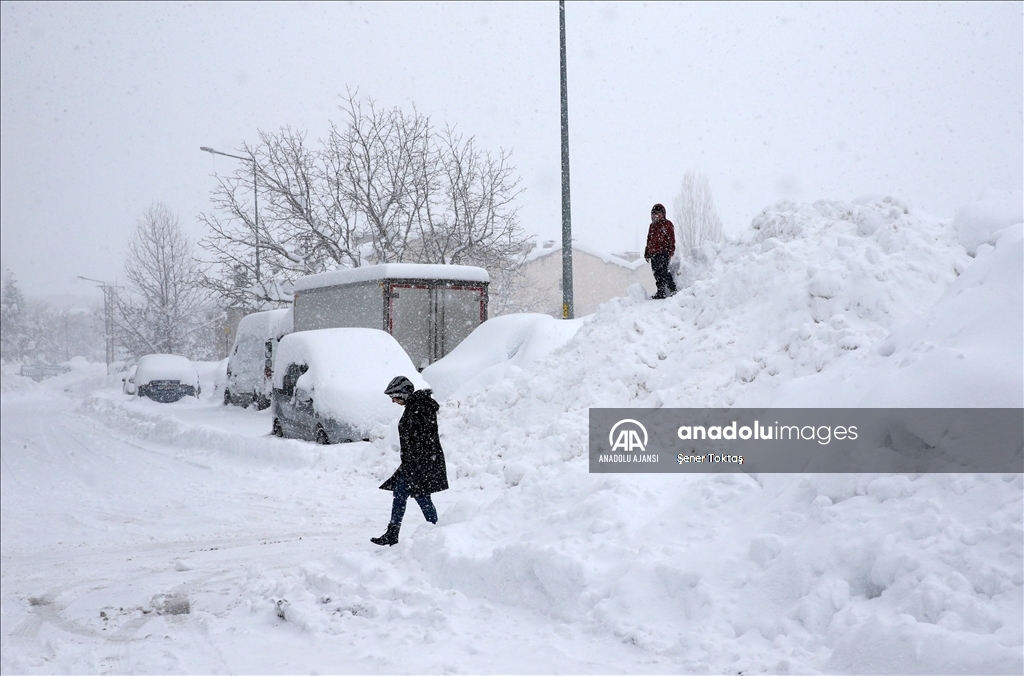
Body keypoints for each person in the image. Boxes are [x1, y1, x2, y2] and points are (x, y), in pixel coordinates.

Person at [371, 376, 449, 546]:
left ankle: (437, 532)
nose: (393, 401)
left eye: (395, 397)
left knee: (421, 496)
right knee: (403, 493)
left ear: (404, 394)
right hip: (414, 461)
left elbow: (424, 437)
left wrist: (417, 462)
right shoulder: (415, 406)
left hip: (421, 462)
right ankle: (394, 532)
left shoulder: (421, 407)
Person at [644, 203, 677, 299]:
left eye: (658, 213)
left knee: (664, 271)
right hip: (653, 254)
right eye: (654, 214)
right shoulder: (652, 226)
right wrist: (647, 252)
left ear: (663, 214)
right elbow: (649, 239)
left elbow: (671, 239)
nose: (656, 216)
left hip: (663, 252)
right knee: (656, 273)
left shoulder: (667, 225)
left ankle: (672, 289)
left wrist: (671, 250)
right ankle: (661, 292)